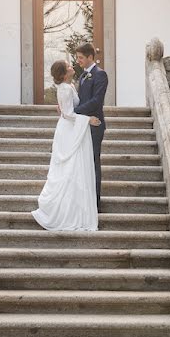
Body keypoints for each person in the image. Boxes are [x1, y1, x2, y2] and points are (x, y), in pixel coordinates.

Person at [31, 60, 100, 231]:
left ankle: (73, 207)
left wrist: (62, 107)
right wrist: (88, 120)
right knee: (69, 167)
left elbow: (67, 108)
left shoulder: (68, 87)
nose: (72, 67)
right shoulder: (64, 88)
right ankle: (63, 211)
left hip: (70, 128)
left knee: (73, 168)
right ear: (63, 74)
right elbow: (69, 114)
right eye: (68, 67)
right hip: (68, 130)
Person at [72, 42, 108, 209]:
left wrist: (75, 111)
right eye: (77, 57)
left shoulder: (100, 75)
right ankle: (84, 200)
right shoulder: (82, 76)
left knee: (93, 162)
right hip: (82, 124)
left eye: (80, 58)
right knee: (83, 163)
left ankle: (96, 203)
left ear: (90, 57)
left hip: (95, 125)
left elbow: (96, 101)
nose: (78, 60)